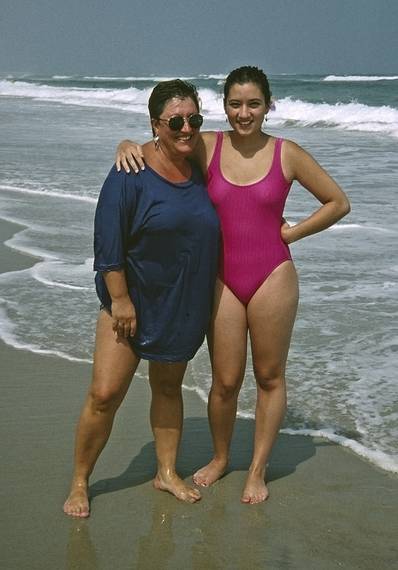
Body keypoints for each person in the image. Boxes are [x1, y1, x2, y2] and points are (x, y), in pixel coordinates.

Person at [115, 66, 351, 504]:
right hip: (221, 277)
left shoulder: (288, 153)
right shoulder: (207, 144)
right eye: (236, 104)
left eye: (254, 104)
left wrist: (292, 233)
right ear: (224, 107)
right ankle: (222, 457)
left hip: (272, 275)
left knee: (268, 375)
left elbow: (338, 202)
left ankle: (257, 469)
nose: (245, 113)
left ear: (268, 105)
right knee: (224, 381)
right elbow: (162, 147)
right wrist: (127, 144)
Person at [63, 79, 220, 517]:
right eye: (175, 121)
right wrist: (120, 300)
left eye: (194, 119)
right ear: (156, 124)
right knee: (105, 393)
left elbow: (244, 177)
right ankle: (79, 481)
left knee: (168, 387)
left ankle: (165, 472)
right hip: (131, 302)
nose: (186, 128)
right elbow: (107, 246)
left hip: (182, 302)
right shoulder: (128, 173)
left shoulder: (200, 165)